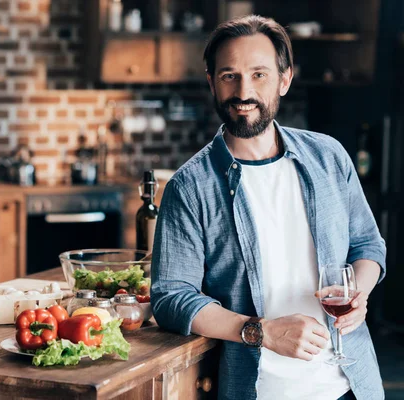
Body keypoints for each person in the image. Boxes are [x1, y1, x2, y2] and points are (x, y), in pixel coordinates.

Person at [151, 15, 386, 400]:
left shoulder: (329, 157)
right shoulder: (189, 187)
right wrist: (261, 331)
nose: (244, 91)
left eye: (259, 74)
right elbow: (172, 297)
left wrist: (358, 293)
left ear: (285, 79)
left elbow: (367, 246)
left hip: (354, 385)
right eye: (230, 75)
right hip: (261, 390)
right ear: (212, 82)